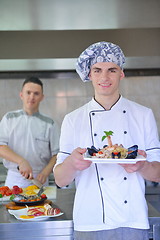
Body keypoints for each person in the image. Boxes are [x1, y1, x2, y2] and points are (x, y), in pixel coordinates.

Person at [53, 42, 160, 240]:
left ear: (121, 73)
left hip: (133, 221)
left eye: (112, 70)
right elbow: (60, 179)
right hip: (89, 221)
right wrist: (72, 164)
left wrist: (141, 166)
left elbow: (158, 173)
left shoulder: (143, 115)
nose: (104, 77)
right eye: (97, 70)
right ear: (89, 74)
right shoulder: (73, 119)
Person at [0, 76, 59, 188]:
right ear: (21, 95)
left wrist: (45, 172)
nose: (32, 97)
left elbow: (57, 154)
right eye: (28, 92)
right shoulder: (9, 118)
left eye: (36, 93)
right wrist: (21, 161)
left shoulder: (50, 123)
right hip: (14, 179)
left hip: (39, 180)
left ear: (42, 97)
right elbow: (1, 146)